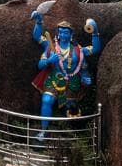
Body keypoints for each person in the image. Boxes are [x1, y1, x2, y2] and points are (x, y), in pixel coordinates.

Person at [31, 9, 101, 138]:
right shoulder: (50, 46)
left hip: (72, 83)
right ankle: (44, 130)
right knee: (46, 100)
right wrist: (39, 21)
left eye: (66, 32)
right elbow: (37, 40)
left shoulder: (78, 50)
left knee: (72, 109)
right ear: (57, 33)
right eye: (61, 32)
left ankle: (70, 134)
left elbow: (95, 49)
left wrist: (95, 31)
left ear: (71, 34)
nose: (63, 34)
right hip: (54, 80)